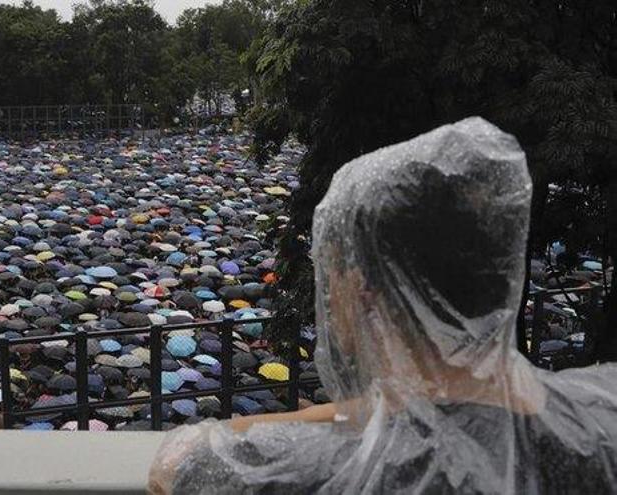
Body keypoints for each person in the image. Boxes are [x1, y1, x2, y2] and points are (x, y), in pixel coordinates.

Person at [147, 117, 617, 494]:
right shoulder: (597, 418)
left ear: (364, 292)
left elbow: (177, 466)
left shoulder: (296, 473)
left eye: (333, 277)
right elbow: (447, 409)